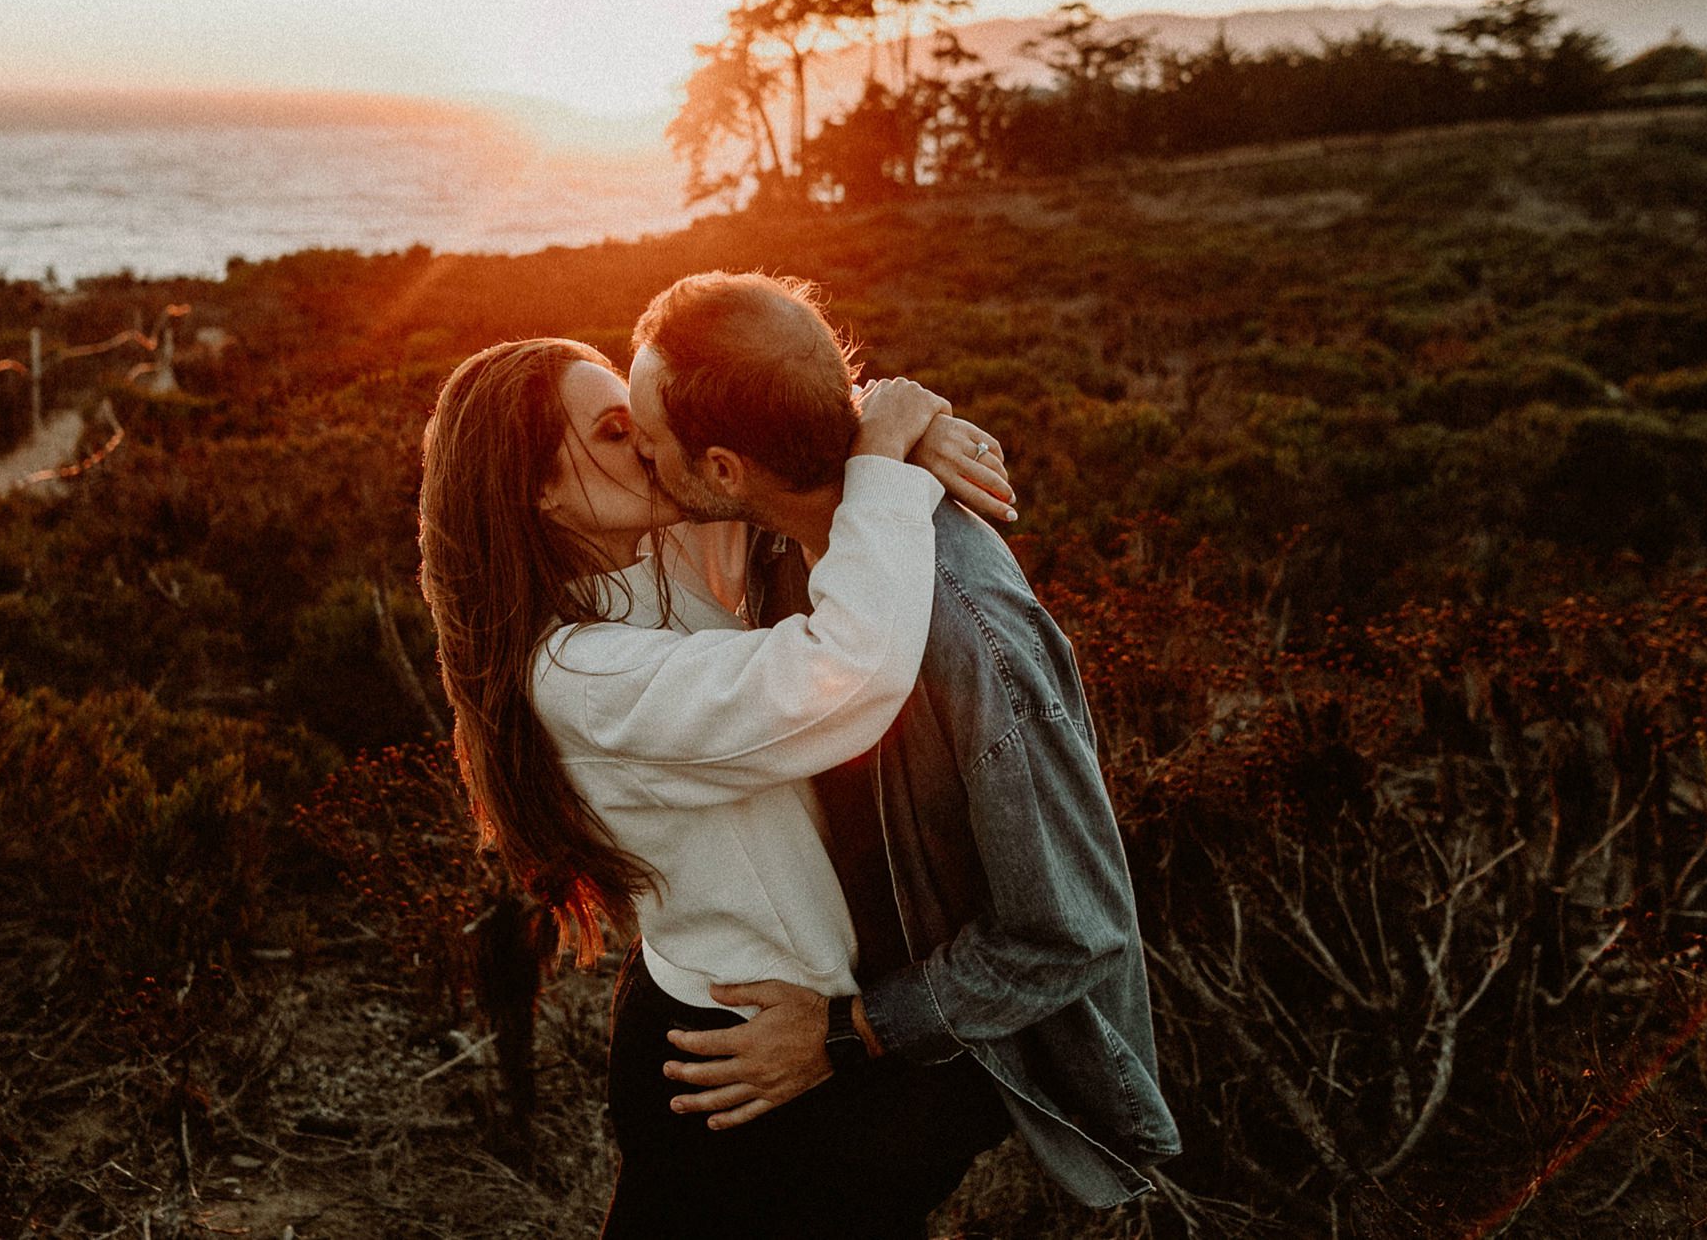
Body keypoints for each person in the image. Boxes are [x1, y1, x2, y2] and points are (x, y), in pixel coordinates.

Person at [416, 337, 1023, 1238]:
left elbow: (760, 448)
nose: (654, 446)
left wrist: (898, 426)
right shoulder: (581, 675)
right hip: (742, 1058)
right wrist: (884, 467)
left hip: (766, 1024)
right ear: (539, 490)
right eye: (617, 432)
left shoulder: (642, 545)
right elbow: (848, 677)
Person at [627, 272, 1182, 1212]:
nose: (637, 461)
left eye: (647, 444)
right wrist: (889, 420)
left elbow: (1072, 928)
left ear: (724, 469)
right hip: (841, 971)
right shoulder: (776, 527)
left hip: (946, 1044)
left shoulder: (970, 633)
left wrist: (845, 1034)